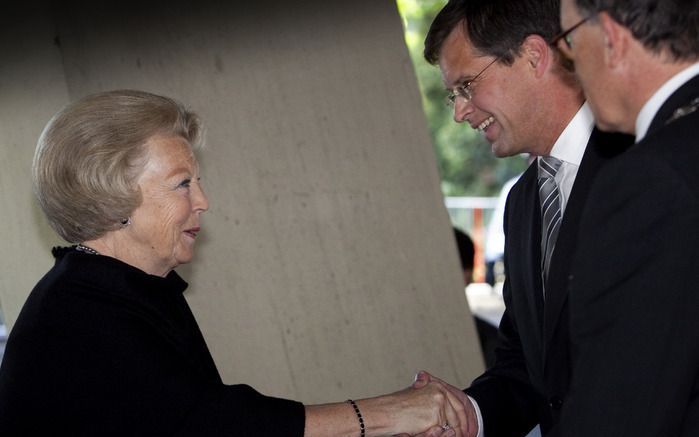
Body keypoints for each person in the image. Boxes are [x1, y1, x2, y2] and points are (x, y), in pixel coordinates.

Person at [0, 90, 469, 436]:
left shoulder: (121, 290)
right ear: (112, 194)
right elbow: (217, 425)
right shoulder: (80, 315)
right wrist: (389, 415)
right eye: (182, 183)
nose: (203, 201)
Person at [418, 0, 633, 436]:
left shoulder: (644, 166)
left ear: (534, 56)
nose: (460, 111)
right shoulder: (521, 204)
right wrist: (468, 416)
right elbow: (526, 368)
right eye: (453, 95)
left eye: (467, 85)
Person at [554, 0, 699, 435]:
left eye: (570, 43)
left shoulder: (649, 180)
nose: (572, 64)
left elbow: (618, 413)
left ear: (613, 40)